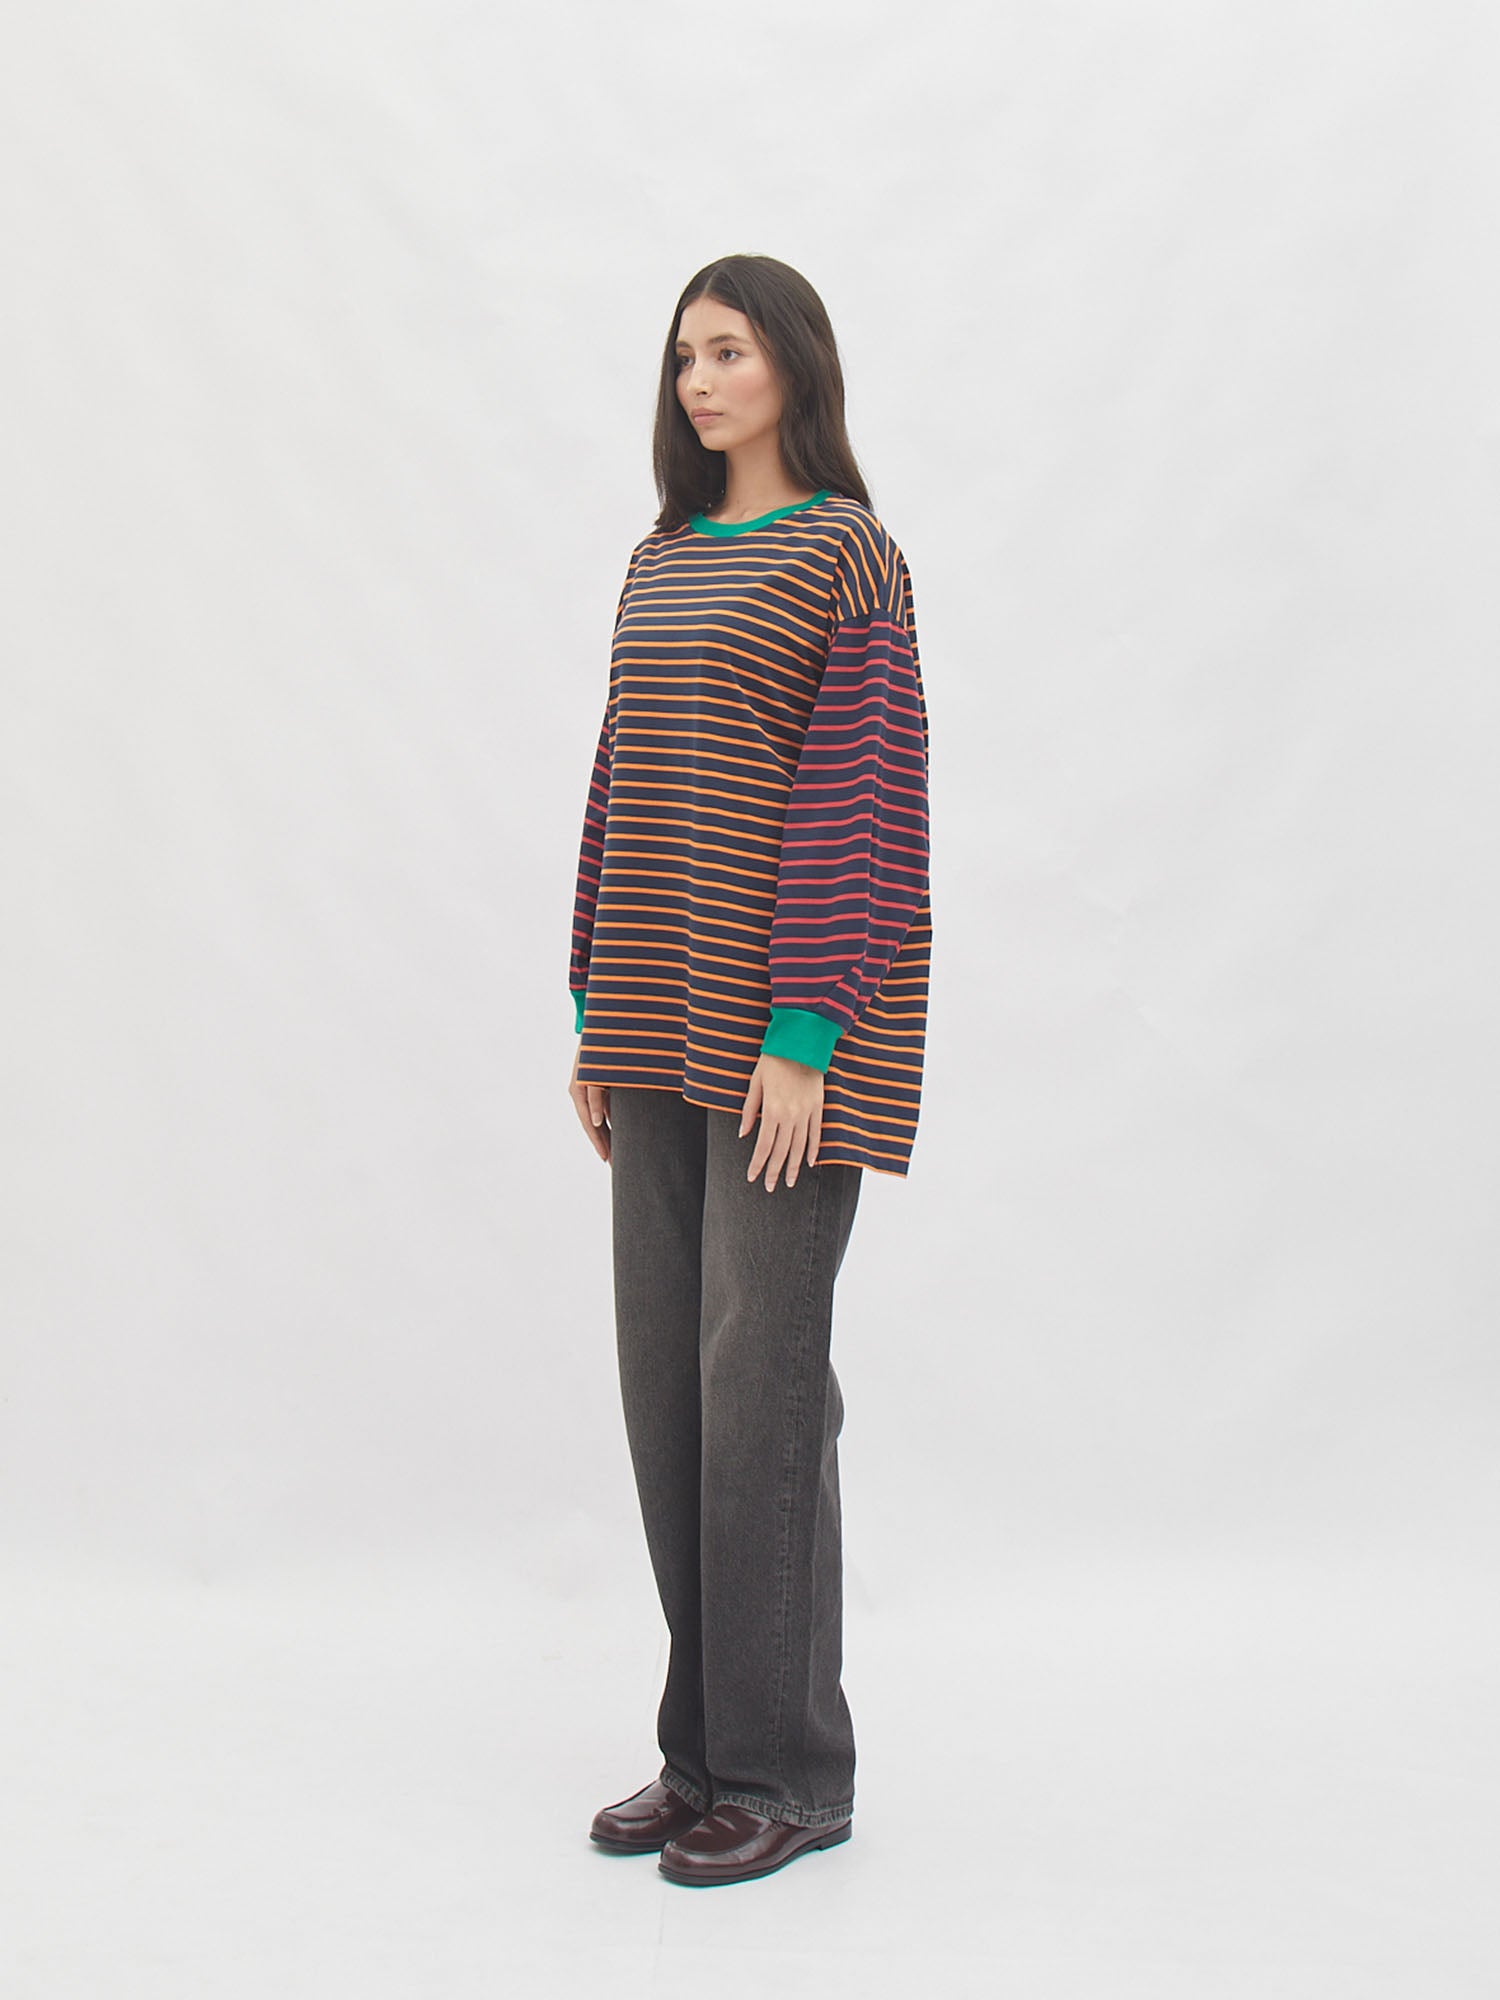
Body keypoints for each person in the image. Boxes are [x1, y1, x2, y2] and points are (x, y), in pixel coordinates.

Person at [566, 254, 932, 1887]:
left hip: (788, 1040)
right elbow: (620, 778)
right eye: (683, 358)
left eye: (727, 351)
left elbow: (864, 797)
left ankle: (790, 1772)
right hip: (654, 1023)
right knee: (669, 1390)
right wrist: (595, 1003)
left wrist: (805, 1035)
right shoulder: (659, 560)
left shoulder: (848, 553)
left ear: (793, 364)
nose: (699, 381)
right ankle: (701, 1753)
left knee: (759, 1389)